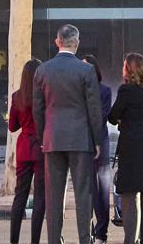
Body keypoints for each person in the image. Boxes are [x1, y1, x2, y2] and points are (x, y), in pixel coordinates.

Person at [33, 24, 103, 244]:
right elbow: (94, 109)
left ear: (57, 42)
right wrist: (97, 139)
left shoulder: (42, 70)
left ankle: (54, 239)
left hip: (52, 138)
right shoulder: (86, 70)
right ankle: (85, 239)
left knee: (53, 195)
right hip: (81, 139)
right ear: (77, 42)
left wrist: (42, 136)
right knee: (83, 193)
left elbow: (38, 109)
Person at [109, 53, 143, 244]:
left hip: (132, 147)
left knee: (131, 196)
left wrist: (122, 121)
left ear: (129, 69)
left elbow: (113, 116)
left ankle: (131, 240)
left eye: (124, 66)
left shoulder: (126, 90)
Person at [9, 58, 45, 244]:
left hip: (23, 148)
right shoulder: (44, 95)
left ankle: (13, 240)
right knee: (40, 197)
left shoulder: (17, 96)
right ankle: (35, 241)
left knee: (20, 196)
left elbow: (12, 127)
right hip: (40, 148)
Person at [83, 55, 113, 244]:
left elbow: (102, 117)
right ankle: (89, 230)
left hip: (100, 142)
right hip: (82, 144)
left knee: (102, 188)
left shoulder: (104, 91)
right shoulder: (79, 90)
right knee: (88, 189)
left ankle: (101, 232)